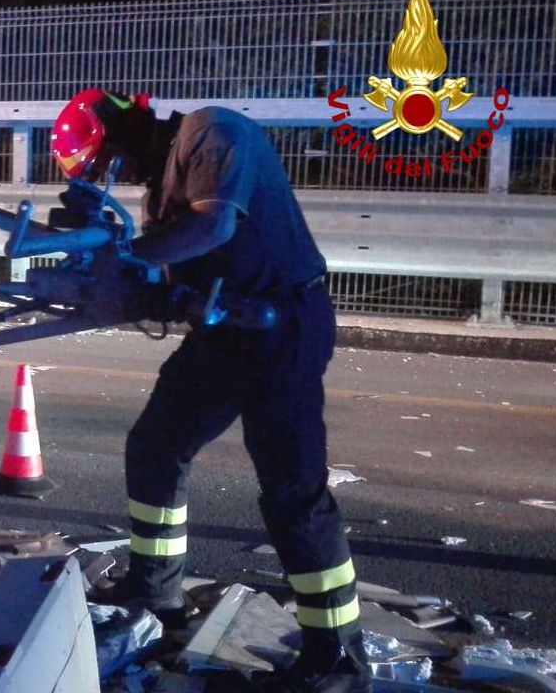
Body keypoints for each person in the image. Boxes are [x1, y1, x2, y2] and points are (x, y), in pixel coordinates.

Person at [51, 89, 368, 693]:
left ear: (122, 130)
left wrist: (124, 256)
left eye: (107, 163)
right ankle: (155, 592)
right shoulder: (161, 189)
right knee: (156, 444)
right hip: (226, 333)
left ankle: (337, 660)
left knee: (292, 490)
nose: (115, 176)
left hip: (283, 326)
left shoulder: (212, 133)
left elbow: (215, 224)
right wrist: (111, 286)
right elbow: (173, 278)